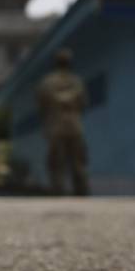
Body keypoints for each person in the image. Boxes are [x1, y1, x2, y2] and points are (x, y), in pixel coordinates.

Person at [36, 48, 90, 196]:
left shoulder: (47, 83)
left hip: (55, 127)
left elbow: (41, 106)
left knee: (56, 163)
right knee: (78, 162)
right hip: (74, 126)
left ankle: (57, 192)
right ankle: (81, 192)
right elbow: (84, 103)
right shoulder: (76, 81)